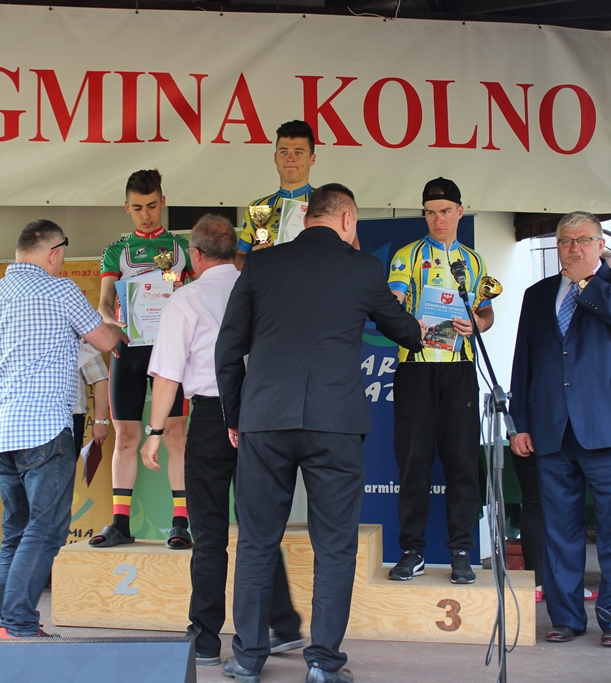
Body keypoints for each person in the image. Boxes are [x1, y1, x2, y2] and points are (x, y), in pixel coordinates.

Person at [216, 184, 423, 683]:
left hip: (265, 419)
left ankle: (248, 658)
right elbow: (408, 333)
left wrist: (235, 415)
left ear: (307, 216)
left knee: (256, 542)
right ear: (348, 219)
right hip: (335, 424)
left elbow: (228, 347)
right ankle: (324, 664)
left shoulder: (261, 264)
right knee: (334, 546)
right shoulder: (363, 269)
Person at [141, 215, 303, 667]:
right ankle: (284, 623)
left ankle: (207, 639)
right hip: (263, 416)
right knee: (259, 528)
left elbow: (167, 376)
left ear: (194, 255)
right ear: (235, 251)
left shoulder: (185, 298)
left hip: (213, 418)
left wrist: (155, 433)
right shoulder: (262, 290)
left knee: (209, 532)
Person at [0, 219, 125, 638]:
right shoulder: (62, 290)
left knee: (16, 529)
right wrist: (123, 323)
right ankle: (18, 623)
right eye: (62, 256)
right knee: (45, 528)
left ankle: (10, 624)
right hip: (44, 427)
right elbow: (106, 342)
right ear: (53, 253)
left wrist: (13, 366)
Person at [509, 211, 611, 648]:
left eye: (583, 240)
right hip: (551, 427)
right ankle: (566, 617)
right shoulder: (537, 295)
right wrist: (519, 424)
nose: (573, 248)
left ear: (600, 245)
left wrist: (588, 284)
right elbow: (524, 362)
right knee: (559, 531)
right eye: (565, 241)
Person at [385, 177, 494, 584]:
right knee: (413, 461)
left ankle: (462, 552)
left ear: (460, 212)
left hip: (460, 367)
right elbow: (392, 302)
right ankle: (412, 551)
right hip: (416, 365)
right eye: (430, 212)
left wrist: (477, 323)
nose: (438, 219)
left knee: (462, 461)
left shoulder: (475, 261)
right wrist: (405, 323)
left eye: (445, 211)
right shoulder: (407, 255)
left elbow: (486, 312)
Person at [91, 169, 195, 550]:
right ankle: (120, 522)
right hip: (130, 348)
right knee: (127, 436)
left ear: (163, 202)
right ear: (126, 208)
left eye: (152, 206)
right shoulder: (116, 251)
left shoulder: (181, 248)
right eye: (137, 208)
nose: (146, 215)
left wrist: (182, 292)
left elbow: (194, 294)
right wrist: (112, 325)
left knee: (176, 435)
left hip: (170, 350)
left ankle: (180, 523)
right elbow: (104, 304)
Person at [235, 120, 357, 270]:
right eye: (284, 152)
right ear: (275, 157)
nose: (290, 158)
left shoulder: (331, 202)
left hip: (317, 282)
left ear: (312, 159)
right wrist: (256, 259)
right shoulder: (258, 207)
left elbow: (354, 252)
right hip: (272, 283)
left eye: (298, 152)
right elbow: (238, 259)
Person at [72, 351, 110, 450]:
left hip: (71, 418)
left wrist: (100, 421)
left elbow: (100, 377)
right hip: (34, 418)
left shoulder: (81, 341)